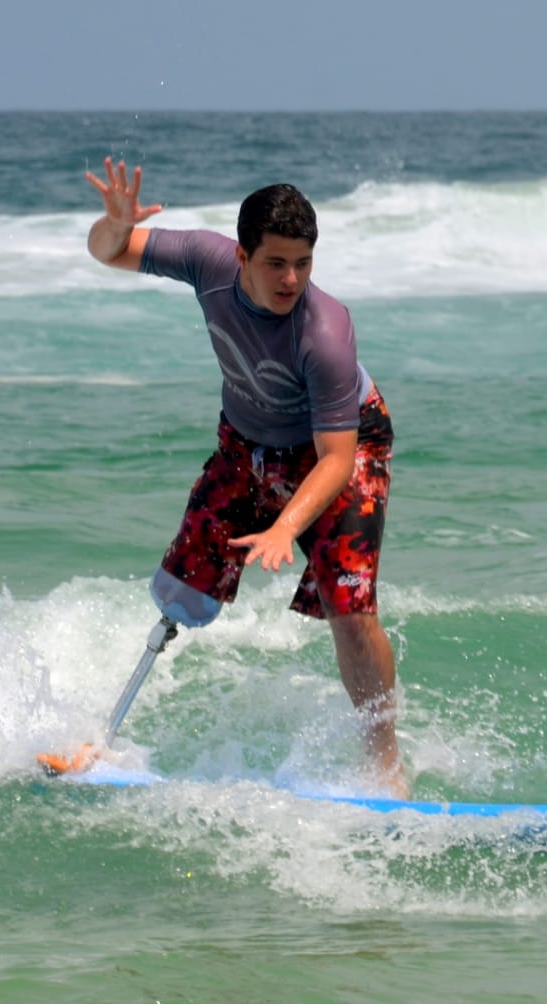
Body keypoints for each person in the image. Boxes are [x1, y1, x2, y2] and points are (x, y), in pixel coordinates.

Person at [85, 158, 407, 797]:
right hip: (246, 442)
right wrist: (114, 225)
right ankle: (103, 741)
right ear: (240, 255)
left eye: (304, 264)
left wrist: (287, 527)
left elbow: (336, 459)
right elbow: (109, 253)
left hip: (344, 444)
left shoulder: (326, 335)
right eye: (275, 263)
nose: (291, 279)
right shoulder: (205, 263)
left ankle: (387, 768)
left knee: (348, 604)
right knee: (181, 591)